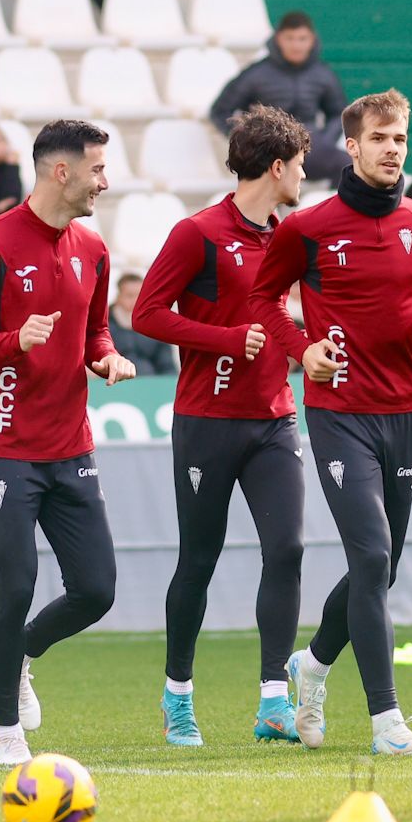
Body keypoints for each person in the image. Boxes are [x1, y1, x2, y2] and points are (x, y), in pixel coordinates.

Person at [248, 89, 412, 757]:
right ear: (353, 145)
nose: (392, 149)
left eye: (399, 138)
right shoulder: (307, 227)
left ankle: (310, 666)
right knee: (370, 555)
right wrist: (300, 349)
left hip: (405, 412)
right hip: (339, 413)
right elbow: (262, 297)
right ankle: (385, 719)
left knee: (384, 565)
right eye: (379, 138)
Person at [0, 120, 136, 766]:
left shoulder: (94, 248)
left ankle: (21, 651)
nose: (104, 181)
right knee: (15, 585)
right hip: (5, 447)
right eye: (97, 169)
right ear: (62, 171)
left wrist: (105, 358)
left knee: (96, 589)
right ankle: (4, 730)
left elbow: (94, 331)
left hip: (71, 445)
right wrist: (10, 341)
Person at [132, 106, 310, 747]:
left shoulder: (291, 235)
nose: (305, 177)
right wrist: (226, 340)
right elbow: (146, 313)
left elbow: (286, 320)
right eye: (301, 165)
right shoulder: (196, 233)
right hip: (206, 421)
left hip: (274, 420)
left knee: (287, 550)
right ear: (277, 166)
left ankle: (272, 701)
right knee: (199, 561)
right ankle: (177, 695)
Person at [209, 14, 348, 181]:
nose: (296, 45)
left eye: (302, 39)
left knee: (348, 167)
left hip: (309, 148)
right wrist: (248, 141)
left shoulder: (323, 74)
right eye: (290, 38)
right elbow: (220, 111)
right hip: (268, 149)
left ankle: (334, 207)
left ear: (312, 40)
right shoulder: (256, 74)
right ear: (278, 39)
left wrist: (325, 141)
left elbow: (339, 114)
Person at [108, 274, 175, 376]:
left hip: (149, 383)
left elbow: (167, 365)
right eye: (129, 295)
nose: (135, 300)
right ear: (118, 297)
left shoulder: (157, 328)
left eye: (139, 295)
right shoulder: (104, 326)